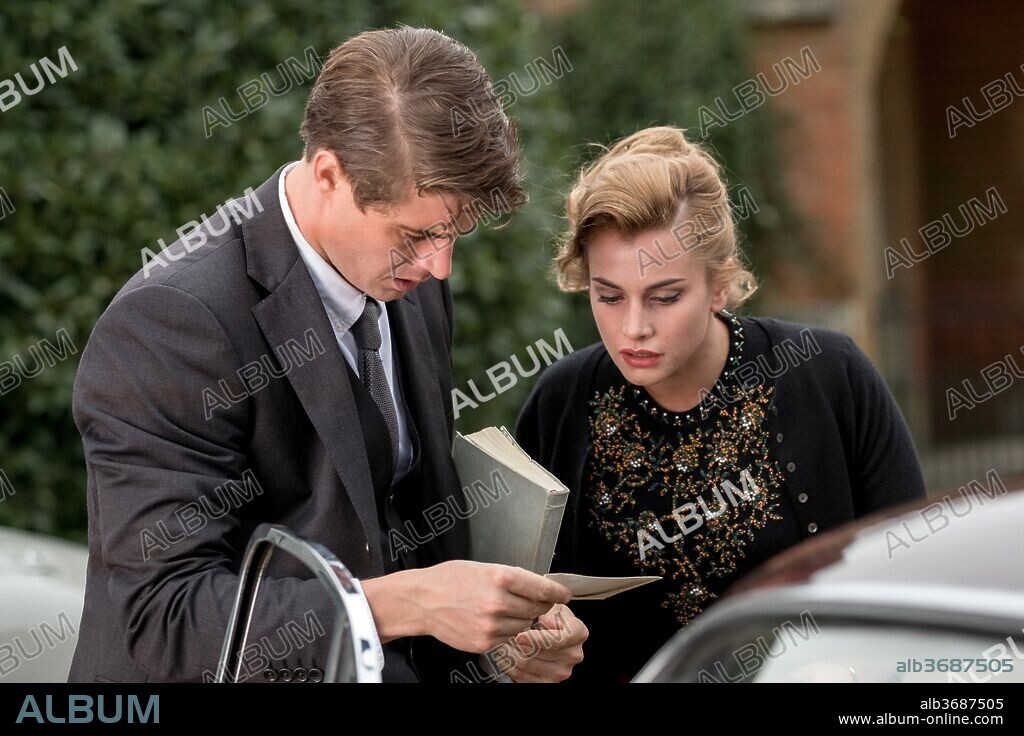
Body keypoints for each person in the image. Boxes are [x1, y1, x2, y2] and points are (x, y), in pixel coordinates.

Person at [69, 27, 586, 684]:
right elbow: (166, 618)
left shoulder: (409, 278)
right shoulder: (172, 322)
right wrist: (407, 603)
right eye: (417, 234)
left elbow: (404, 517)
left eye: (455, 232)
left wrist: (500, 639)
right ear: (328, 174)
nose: (440, 266)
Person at [514, 125, 925, 682]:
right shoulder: (561, 403)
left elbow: (912, 569)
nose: (634, 327)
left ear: (721, 284)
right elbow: (516, 604)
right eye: (608, 295)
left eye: (665, 297)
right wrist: (530, 644)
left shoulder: (827, 374)